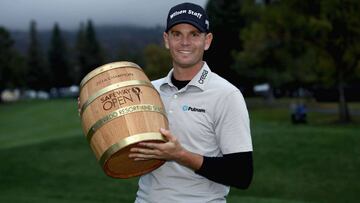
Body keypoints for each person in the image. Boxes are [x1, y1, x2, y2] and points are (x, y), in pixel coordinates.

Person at [129, 2, 253, 203]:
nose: (184, 42)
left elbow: (241, 174)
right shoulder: (147, 90)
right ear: (166, 39)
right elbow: (125, 144)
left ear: (207, 40)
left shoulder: (227, 94)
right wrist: (93, 111)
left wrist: (181, 155)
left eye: (194, 34)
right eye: (177, 34)